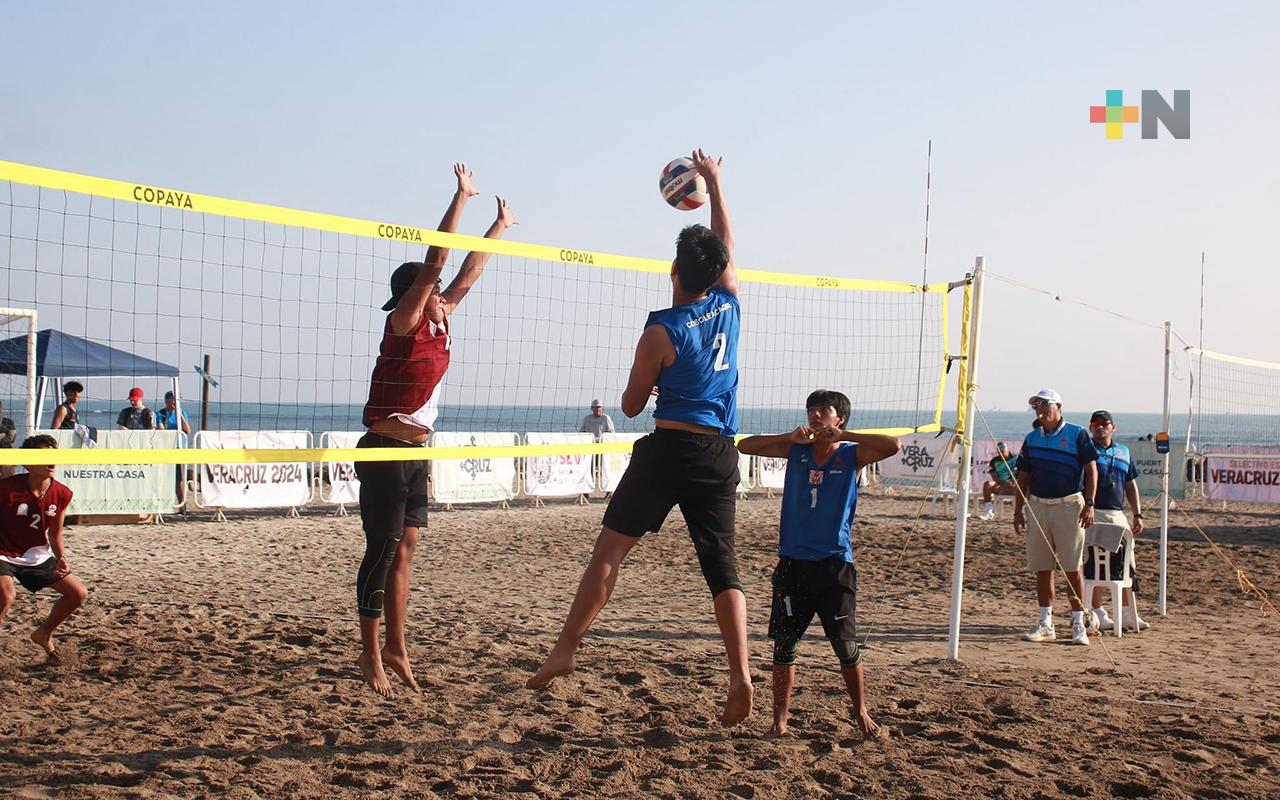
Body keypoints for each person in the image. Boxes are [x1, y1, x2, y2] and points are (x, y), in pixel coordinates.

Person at [528, 148, 754, 728]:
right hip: (716, 453)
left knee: (610, 552)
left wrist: (653, 384)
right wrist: (719, 185)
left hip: (669, 450)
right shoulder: (729, 304)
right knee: (723, 569)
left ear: (674, 274)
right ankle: (740, 673)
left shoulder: (661, 328)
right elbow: (724, 241)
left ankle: (565, 649)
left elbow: (629, 406)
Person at [355, 162, 517, 696]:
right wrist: (461, 199)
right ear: (414, 296)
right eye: (429, 290)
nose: (440, 292)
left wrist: (498, 228)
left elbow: (468, 270)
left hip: (417, 451)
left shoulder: (442, 316)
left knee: (406, 551)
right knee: (381, 551)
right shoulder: (403, 323)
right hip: (383, 449)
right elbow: (439, 258)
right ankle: (370, 655)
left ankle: (398, 647)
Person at [737, 390, 900, 739]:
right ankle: (779, 723)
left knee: (844, 645)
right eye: (811, 410)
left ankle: (861, 713)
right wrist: (787, 437)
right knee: (784, 645)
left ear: (838, 418)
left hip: (834, 564)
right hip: (793, 564)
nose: (815, 415)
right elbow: (744, 446)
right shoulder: (797, 451)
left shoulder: (852, 455)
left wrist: (846, 437)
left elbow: (893, 445)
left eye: (823, 410)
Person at [1013, 389, 1099, 646]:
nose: (1039, 408)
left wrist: (1090, 503)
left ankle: (1077, 623)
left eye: (1044, 404)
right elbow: (1023, 478)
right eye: (1036, 405)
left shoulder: (1077, 434)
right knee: (1043, 567)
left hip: (1070, 504)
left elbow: (1091, 471)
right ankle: (1045, 623)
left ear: (1058, 407)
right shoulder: (1031, 438)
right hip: (1039, 505)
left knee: (1073, 567)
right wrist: (1018, 510)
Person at [0, 435, 88, 663]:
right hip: (3, 550)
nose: (51, 461)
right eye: (43, 456)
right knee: (6, 596)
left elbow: (55, 532)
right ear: (28, 462)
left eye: (53, 455)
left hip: (35, 554)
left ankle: (43, 634)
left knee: (77, 594)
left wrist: (61, 557)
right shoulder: (6, 488)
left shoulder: (62, 493)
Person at [1084, 410, 1149, 632]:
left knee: (1125, 564)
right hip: (1093, 511)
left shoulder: (1124, 451)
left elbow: (1130, 484)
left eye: (1105, 423)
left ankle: (1128, 613)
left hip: (1117, 512)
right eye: (1095, 424)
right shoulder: (1086, 449)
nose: (1100, 427)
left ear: (1114, 427)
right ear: (1091, 427)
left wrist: (1137, 514)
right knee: (1094, 563)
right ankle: (1098, 612)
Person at [978, 442, 1018, 520]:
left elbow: (1023, 473)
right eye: (1000, 452)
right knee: (987, 484)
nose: (1001, 454)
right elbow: (994, 477)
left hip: (1016, 485)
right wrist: (1003, 482)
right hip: (1001, 485)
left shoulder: (1016, 459)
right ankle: (989, 511)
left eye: (1003, 451)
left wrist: (1014, 481)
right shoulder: (994, 461)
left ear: (1007, 450)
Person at [0, 401, 16, 479]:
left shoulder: (8, 422)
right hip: (6, 452)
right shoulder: (8, 422)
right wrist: (3, 436)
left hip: (6, 453)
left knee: (8, 479)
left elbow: (11, 438)